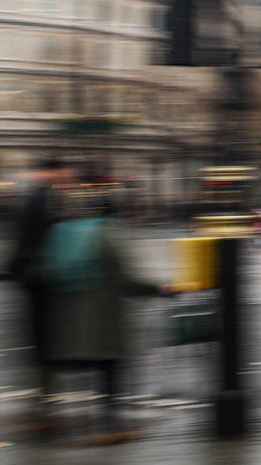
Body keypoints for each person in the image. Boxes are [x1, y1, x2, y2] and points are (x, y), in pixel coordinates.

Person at [40, 182, 170, 443]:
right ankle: (111, 420)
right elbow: (126, 279)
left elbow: (47, 271)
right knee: (111, 366)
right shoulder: (109, 233)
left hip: (71, 318)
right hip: (104, 318)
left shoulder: (66, 231)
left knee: (86, 367)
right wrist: (158, 288)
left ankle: (82, 419)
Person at [7, 158, 70, 414]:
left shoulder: (39, 198)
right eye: (61, 172)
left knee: (41, 333)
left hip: (35, 276)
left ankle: (44, 385)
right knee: (42, 333)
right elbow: (39, 239)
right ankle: (45, 387)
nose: (65, 176)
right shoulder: (40, 200)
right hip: (39, 277)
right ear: (48, 172)